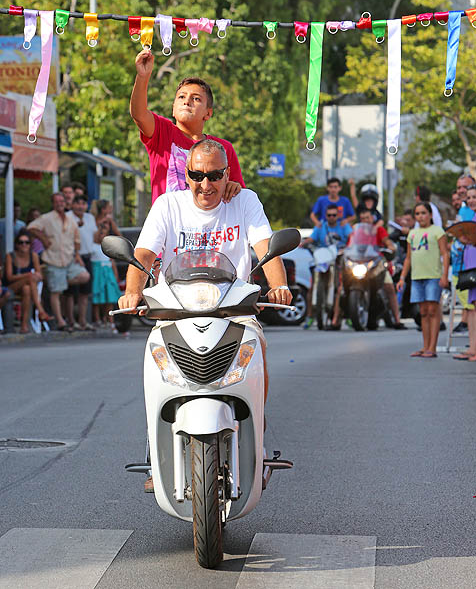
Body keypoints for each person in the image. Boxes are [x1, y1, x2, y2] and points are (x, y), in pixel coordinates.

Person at [119, 139, 291, 492]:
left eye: (214, 175)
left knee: (257, 350)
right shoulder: (168, 205)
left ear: (227, 174)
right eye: (197, 175)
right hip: (175, 311)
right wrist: (132, 291)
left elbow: (266, 249)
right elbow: (145, 254)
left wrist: (279, 286)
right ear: (186, 174)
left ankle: (255, 436)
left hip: (234, 311)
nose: (206, 185)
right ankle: (156, 451)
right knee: (157, 368)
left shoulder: (244, 201)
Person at [130, 50, 245, 204]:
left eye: (196, 98)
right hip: (171, 227)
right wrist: (142, 77)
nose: (187, 101)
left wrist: (234, 187)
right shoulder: (162, 133)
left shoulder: (223, 148)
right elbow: (139, 114)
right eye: (181, 97)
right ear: (173, 108)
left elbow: (240, 194)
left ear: (208, 113)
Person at [27, 193, 90, 332]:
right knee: (56, 292)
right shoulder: (47, 218)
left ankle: (59, 282)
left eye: (62, 201)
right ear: (53, 203)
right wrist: (43, 238)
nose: (60, 203)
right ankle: (61, 322)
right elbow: (31, 227)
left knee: (84, 276)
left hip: (68, 259)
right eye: (57, 201)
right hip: (53, 259)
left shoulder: (70, 218)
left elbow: (76, 238)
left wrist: (77, 255)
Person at [397, 202, 449, 357]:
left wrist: (444, 275)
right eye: (418, 214)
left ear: (431, 215)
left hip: (433, 276)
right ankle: (425, 346)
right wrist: (402, 278)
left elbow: (445, 254)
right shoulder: (412, 234)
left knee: (433, 310)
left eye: (424, 213)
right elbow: (408, 258)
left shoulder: (437, 231)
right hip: (417, 277)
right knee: (423, 312)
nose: (421, 217)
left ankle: (432, 348)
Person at [300, 204, 352, 329]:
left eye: (334, 215)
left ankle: (349, 316)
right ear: (326, 216)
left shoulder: (344, 226)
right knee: (312, 287)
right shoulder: (320, 226)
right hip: (322, 260)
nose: (332, 217)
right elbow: (311, 239)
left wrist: (350, 247)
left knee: (346, 286)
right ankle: (311, 316)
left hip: (340, 259)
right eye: (329, 215)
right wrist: (302, 243)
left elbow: (352, 237)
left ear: (338, 215)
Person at [358, 208, 405, 329]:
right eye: (362, 218)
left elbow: (388, 243)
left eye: (367, 218)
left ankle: (397, 320)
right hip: (359, 264)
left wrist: (390, 247)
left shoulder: (379, 229)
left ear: (372, 218)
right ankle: (335, 320)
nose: (365, 221)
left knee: (389, 286)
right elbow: (349, 245)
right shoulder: (357, 231)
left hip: (376, 264)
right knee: (342, 286)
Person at [3, 230, 51, 333]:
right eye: (21, 242)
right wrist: (27, 275)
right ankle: (40, 310)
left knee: (27, 289)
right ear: (17, 244)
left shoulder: (33, 256)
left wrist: (34, 276)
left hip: (27, 287)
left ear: (30, 244)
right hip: (12, 286)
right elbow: (9, 277)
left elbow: (39, 275)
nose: (24, 245)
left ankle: (24, 326)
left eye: (27, 242)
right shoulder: (10, 256)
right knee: (30, 279)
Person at [66, 194, 97, 331]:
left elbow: (95, 237)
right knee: (70, 292)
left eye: (83, 203)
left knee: (85, 292)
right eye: (77, 203)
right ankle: (72, 322)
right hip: (71, 257)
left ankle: (83, 321)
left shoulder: (90, 218)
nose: (80, 206)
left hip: (87, 256)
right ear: (72, 205)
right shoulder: (67, 217)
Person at [453, 187, 476, 360]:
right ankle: (472, 348)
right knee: (472, 310)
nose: (471, 200)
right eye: (469, 197)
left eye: (475, 197)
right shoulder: (471, 216)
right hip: (470, 267)